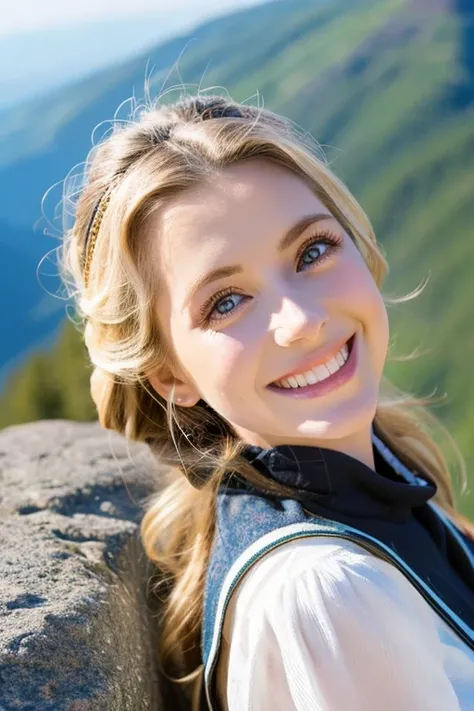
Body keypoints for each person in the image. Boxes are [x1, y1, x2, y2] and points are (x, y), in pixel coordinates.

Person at [60, 92, 474, 711]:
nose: (302, 321)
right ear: (170, 375)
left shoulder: (371, 481)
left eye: (312, 251)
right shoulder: (327, 595)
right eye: (226, 302)